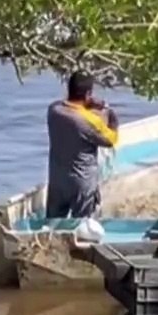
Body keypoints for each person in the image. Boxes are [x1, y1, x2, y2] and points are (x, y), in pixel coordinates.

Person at [45, 70, 120, 219]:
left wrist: (87, 102)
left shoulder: (53, 110)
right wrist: (110, 115)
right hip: (81, 183)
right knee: (83, 227)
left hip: (57, 180)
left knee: (52, 225)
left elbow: (66, 105)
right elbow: (111, 140)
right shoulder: (90, 121)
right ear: (88, 94)